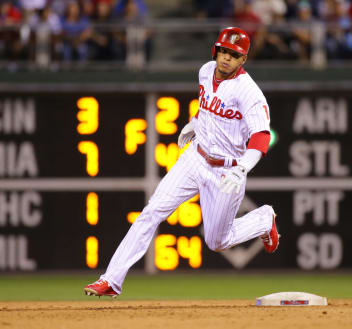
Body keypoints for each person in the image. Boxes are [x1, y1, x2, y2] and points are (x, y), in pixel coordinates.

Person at [84, 26, 279, 298]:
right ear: (216, 50)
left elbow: (261, 136)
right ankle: (111, 280)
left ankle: (263, 218)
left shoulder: (249, 92)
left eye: (233, 55)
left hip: (228, 169)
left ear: (243, 60)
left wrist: (243, 168)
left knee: (217, 241)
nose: (226, 58)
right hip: (195, 158)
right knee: (152, 211)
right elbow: (208, 108)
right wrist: (195, 123)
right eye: (223, 51)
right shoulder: (205, 71)